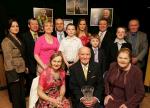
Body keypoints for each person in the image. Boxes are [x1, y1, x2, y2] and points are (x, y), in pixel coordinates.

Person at [1, 19, 26, 108]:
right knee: (16, 96)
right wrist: (12, 76)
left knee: (21, 94)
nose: (16, 28)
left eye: (17, 26)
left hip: (21, 69)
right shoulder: (6, 41)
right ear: (8, 28)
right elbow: (7, 60)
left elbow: (21, 54)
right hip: (14, 72)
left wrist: (25, 66)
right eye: (13, 26)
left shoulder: (18, 38)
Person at [59, 23, 83, 98]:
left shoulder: (78, 40)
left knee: (75, 80)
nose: (71, 31)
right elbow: (62, 53)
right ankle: (66, 96)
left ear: (75, 31)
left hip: (76, 63)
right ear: (66, 31)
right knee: (66, 80)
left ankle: (74, 96)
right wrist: (67, 64)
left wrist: (74, 63)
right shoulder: (63, 40)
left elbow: (80, 52)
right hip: (66, 63)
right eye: (69, 29)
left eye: (73, 29)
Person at [20, 18, 39, 96]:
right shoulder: (24, 36)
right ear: (29, 25)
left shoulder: (41, 35)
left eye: (36, 24)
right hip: (30, 65)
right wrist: (26, 66)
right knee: (31, 86)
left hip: (40, 65)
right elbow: (23, 52)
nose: (35, 26)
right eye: (33, 24)